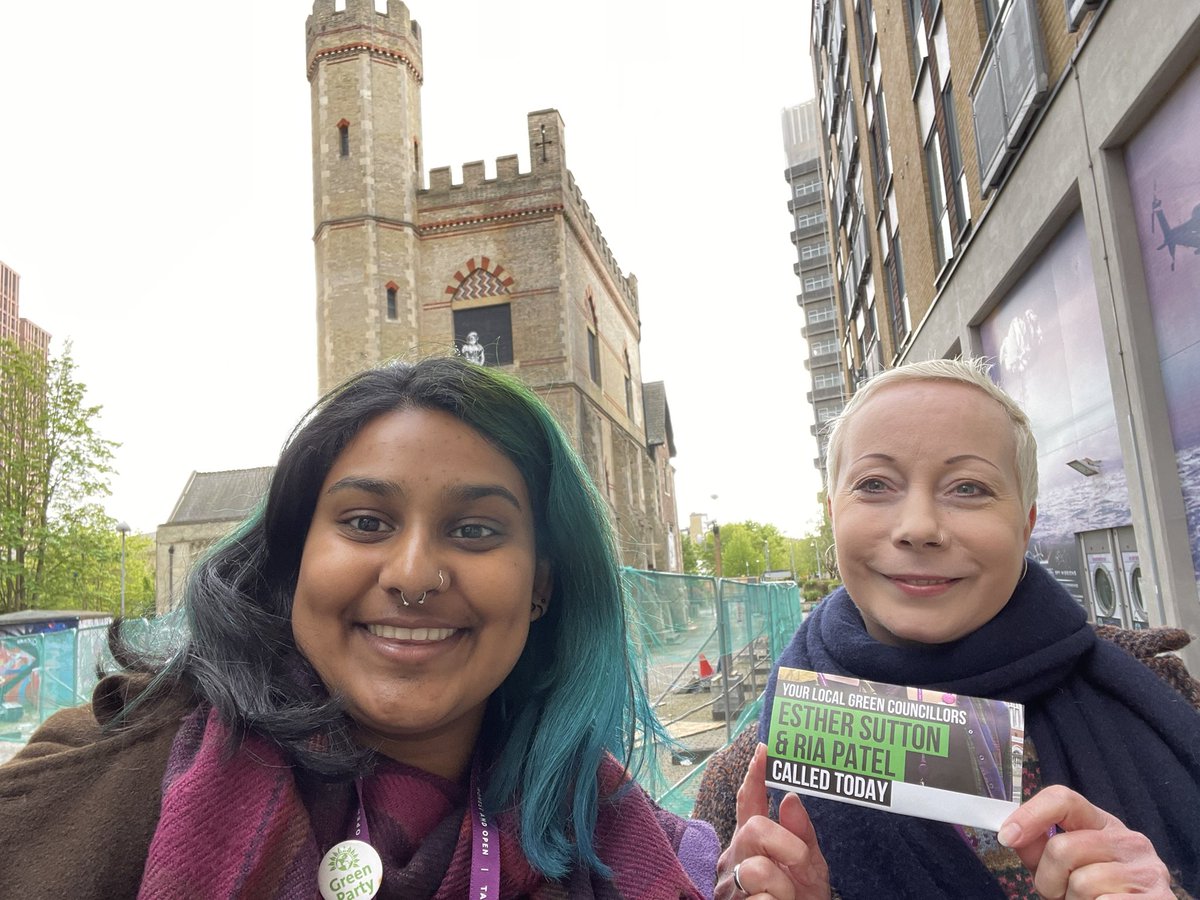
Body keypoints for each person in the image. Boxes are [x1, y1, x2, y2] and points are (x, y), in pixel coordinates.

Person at [0, 355, 718, 898]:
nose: (412, 575)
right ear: (295, 558)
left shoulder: (634, 845)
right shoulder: (98, 774)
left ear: (541, 586)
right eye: (366, 522)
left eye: (474, 529)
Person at [693, 358, 1200, 899]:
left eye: (969, 488)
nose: (919, 528)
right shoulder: (746, 779)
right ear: (835, 513)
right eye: (874, 483)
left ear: (1025, 524)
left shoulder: (1159, 693)